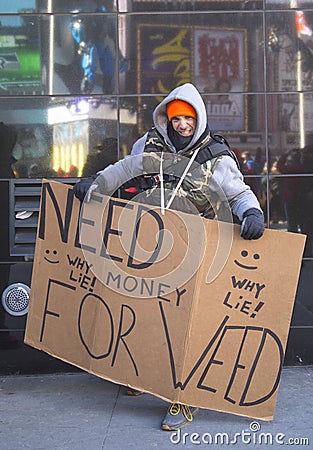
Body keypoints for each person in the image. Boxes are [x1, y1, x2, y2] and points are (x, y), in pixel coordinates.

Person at [73, 82, 264, 431]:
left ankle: (184, 398)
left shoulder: (216, 156)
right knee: (145, 315)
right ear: (167, 117)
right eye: (176, 118)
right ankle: (140, 375)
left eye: (189, 118)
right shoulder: (149, 145)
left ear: (199, 117)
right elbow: (124, 171)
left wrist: (251, 212)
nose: (182, 124)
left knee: (189, 326)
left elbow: (238, 193)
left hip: (198, 251)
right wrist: (96, 184)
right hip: (152, 243)